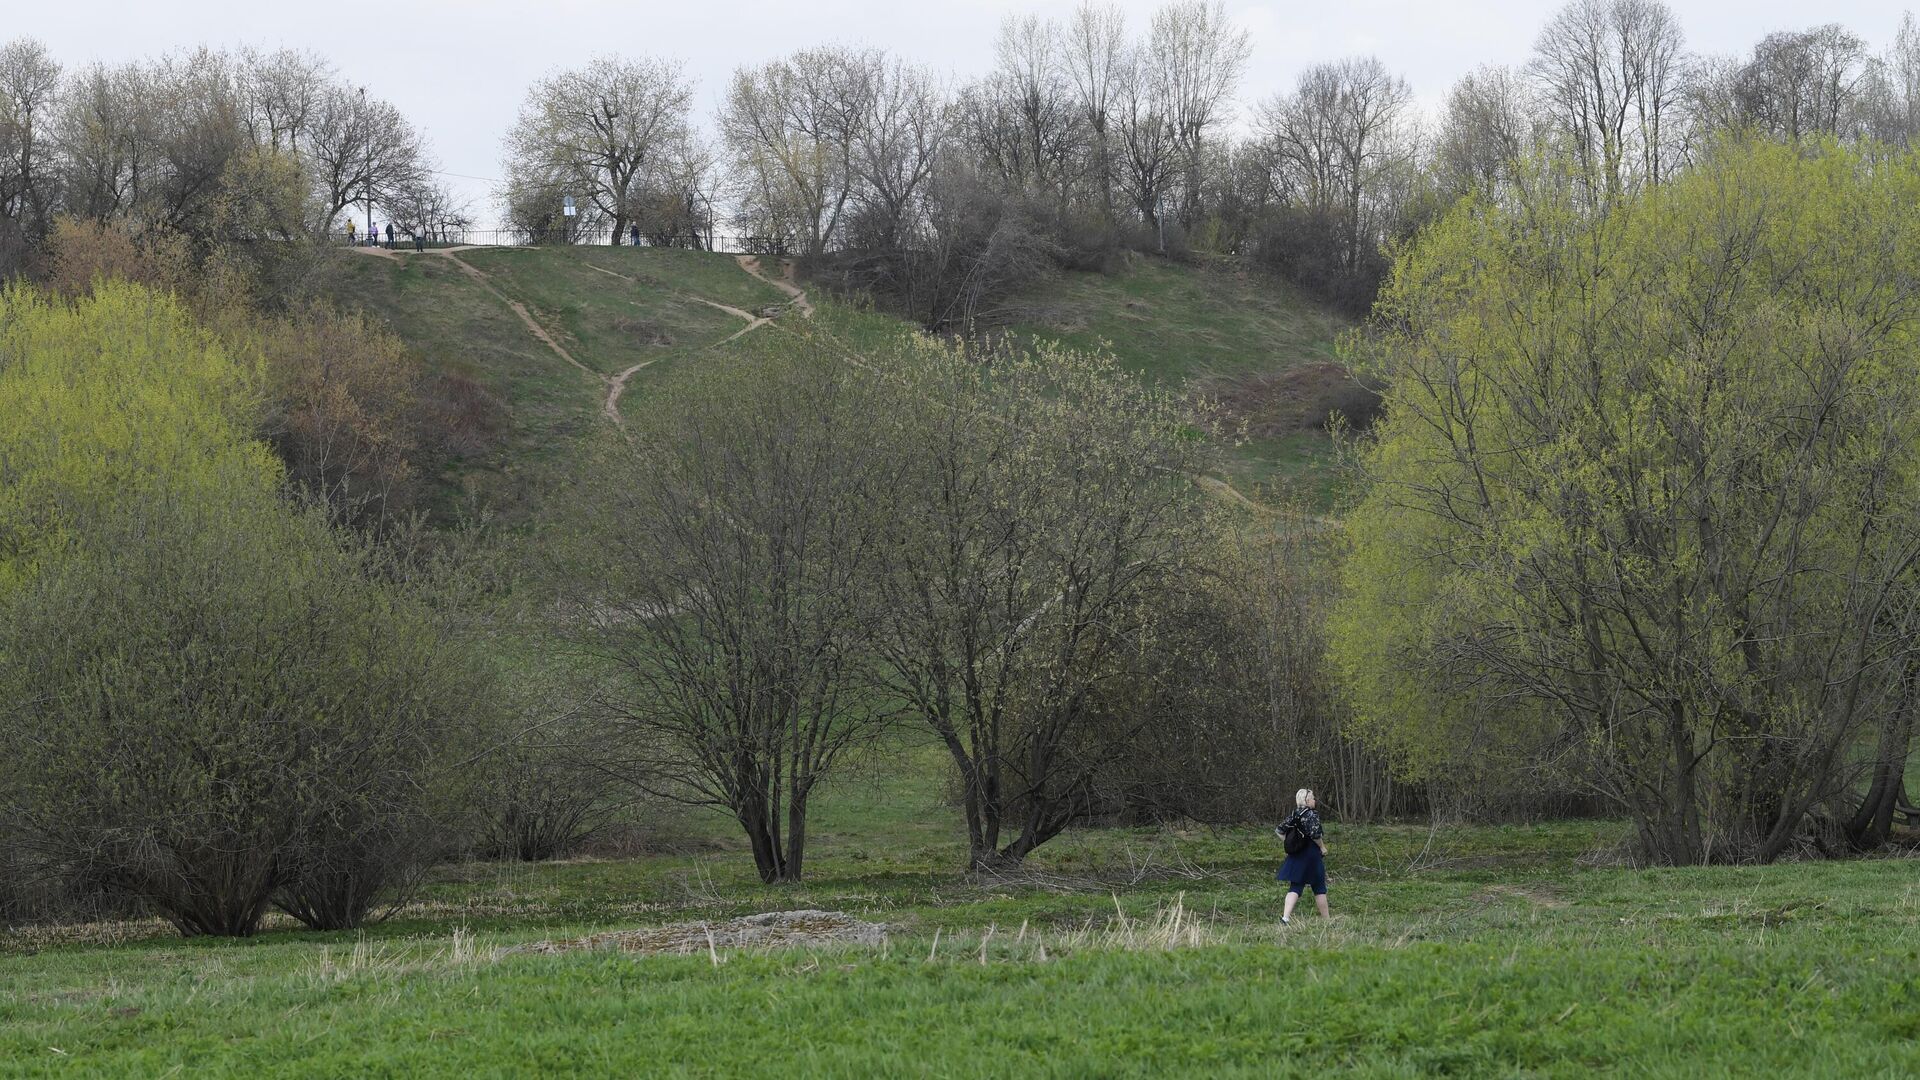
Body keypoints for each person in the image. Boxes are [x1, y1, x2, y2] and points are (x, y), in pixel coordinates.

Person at [1275, 788, 1329, 925]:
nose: (1315, 800)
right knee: (1319, 887)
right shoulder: (1311, 814)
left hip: (1297, 854)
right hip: (1311, 853)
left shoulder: (1294, 814)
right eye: (1312, 798)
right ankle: (1327, 920)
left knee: (1295, 886)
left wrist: (1292, 843)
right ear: (1306, 800)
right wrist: (1322, 847)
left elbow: (1279, 830)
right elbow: (1316, 835)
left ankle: (1285, 918)